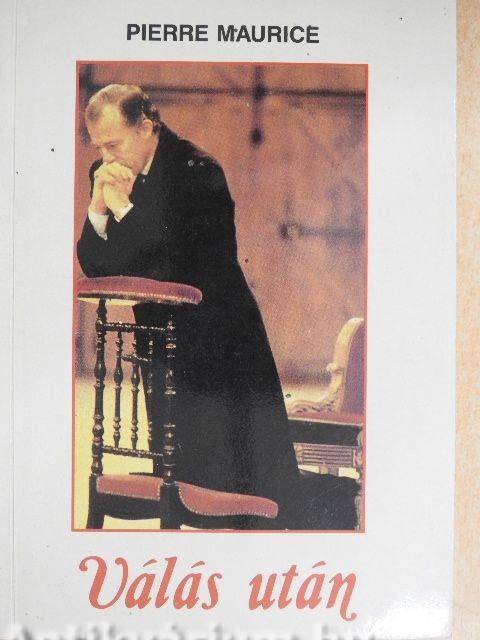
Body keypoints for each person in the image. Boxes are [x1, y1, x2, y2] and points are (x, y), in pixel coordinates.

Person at [77, 84, 301, 528]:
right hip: (163, 341)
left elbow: (177, 264)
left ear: (147, 126)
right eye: (99, 146)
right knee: (177, 475)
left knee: (243, 484)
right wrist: (99, 208)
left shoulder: (198, 171)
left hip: (221, 340)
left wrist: (124, 210)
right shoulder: (107, 175)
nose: (106, 157)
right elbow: (99, 264)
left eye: (114, 144)